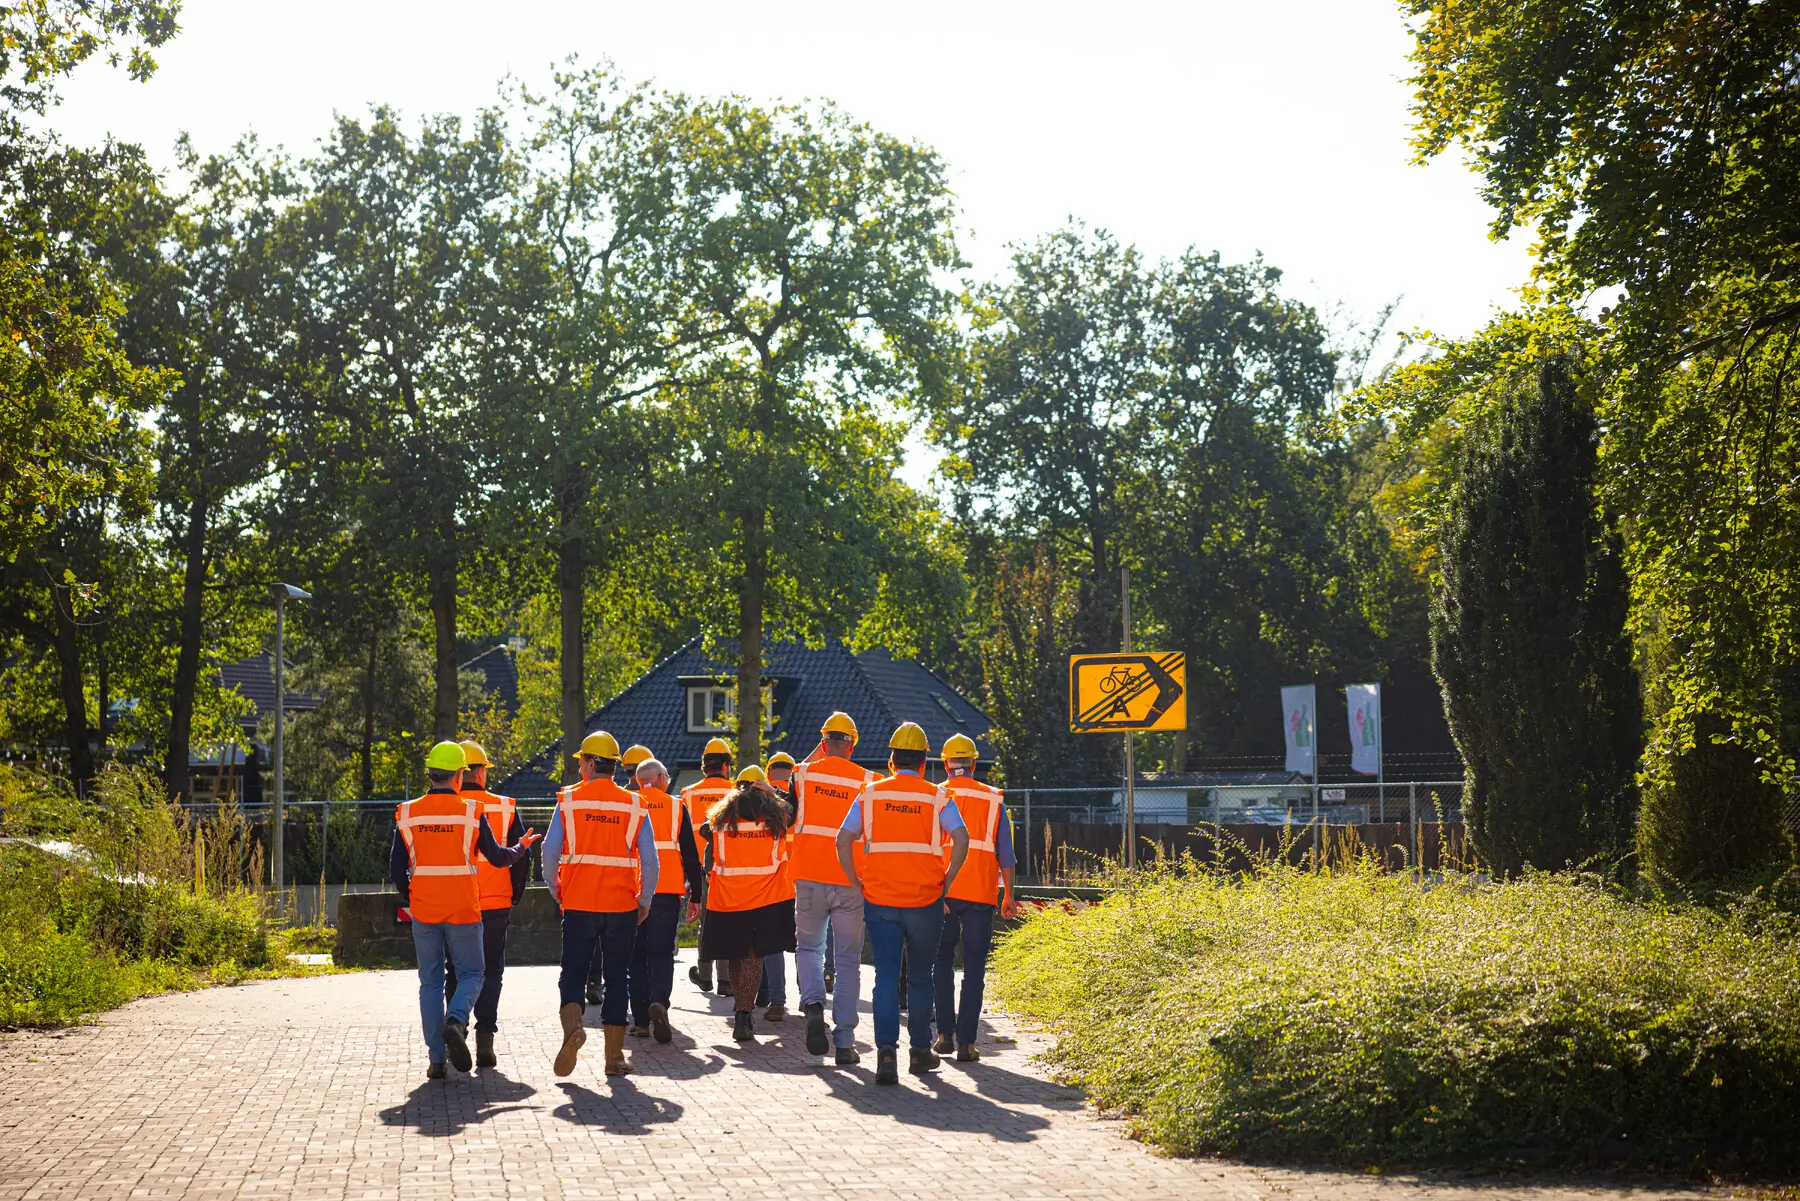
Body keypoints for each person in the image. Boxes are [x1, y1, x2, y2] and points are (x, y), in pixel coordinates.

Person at [389, 741, 537, 1081]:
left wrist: (413, 899)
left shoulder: (408, 812)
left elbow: (397, 870)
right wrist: (522, 847)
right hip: (464, 910)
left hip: (425, 912)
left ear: (430, 773)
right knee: (474, 975)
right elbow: (499, 858)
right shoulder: (471, 812)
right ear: (458, 776)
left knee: (430, 982)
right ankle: (456, 1020)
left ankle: (437, 1061)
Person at [835, 723, 969, 1085]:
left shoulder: (870, 794)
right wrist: (948, 879)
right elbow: (961, 837)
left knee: (885, 977)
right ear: (925, 762)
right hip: (926, 900)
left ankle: (886, 1053)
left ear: (891, 761)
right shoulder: (937, 796)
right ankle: (921, 1052)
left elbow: (842, 839)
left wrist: (855, 880)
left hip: (880, 900)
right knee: (920, 977)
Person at [541, 731, 658, 1078]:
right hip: (622, 906)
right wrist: (645, 899)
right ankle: (614, 1056)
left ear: (592, 763)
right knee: (618, 978)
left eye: (581, 763)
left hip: (578, 902)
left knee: (573, 972)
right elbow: (650, 861)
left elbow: (549, 851)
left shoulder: (569, 801)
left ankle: (573, 1030)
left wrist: (555, 887)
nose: (579, 770)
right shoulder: (635, 804)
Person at [788, 712, 877, 1064]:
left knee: (808, 949)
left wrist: (822, 747)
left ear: (824, 744)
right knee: (847, 961)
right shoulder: (869, 782)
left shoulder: (807, 773)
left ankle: (812, 1006)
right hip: (849, 880)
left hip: (809, 875)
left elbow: (800, 764)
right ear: (853, 745)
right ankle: (844, 1041)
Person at [441, 739, 530, 1068]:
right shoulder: (505, 806)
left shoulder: (449, 806)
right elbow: (522, 856)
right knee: (491, 969)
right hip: (495, 902)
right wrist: (515, 893)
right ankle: (485, 1042)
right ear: (478, 772)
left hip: (456, 901)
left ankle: (456, 1028)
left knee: (456, 971)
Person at [931, 733, 1018, 1062]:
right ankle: (967, 1043)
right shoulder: (994, 799)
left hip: (944, 894)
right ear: (975, 764)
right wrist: (1009, 895)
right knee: (975, 967)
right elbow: (1006, 855)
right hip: (982, 895)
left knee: (941, 960)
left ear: (945, 763)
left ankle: (943, 1036)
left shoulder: (937, 796)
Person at [696, 766, 796, 1044]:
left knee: (738, 957)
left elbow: (706, 828)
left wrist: (732, 800)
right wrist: (771, 791)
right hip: (766, 901)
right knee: (753, 957)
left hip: (728, 900)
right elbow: (795, 810)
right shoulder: (775, 822)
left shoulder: (721, 825)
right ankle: (743, 1013)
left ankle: (742, 1010)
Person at [626, 756, 705, 1043]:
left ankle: (641, 1021)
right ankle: (659, 1002)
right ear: (660, 779)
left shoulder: (627, 803)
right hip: (667, 891)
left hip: (631, 891)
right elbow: (691, 855)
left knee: (635, 955)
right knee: (661, 953)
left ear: (638, 781)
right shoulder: (676, 806)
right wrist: (696, 894)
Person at [588, 744, 656, 1006]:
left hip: (589, 884)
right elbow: (649, 856)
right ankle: (641, 999)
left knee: (594, 941)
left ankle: (594, 981)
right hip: (630, 886)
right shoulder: (640, 803)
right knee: (632, 953)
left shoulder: (611, 797)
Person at [681, 737, 736, 997]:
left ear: (705, 766)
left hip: (698, 868)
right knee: (726, 922)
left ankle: (705, 975)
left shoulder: (688, 794)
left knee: (707, 922)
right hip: (729, 868)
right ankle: (725, 980)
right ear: (726, 766)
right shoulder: (737, 792)